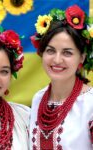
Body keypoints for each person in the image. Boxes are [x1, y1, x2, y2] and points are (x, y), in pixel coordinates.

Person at [30, 4, 93, 150]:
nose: (57, 60)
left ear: (81, 58)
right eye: (51, 51)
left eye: (67, 53)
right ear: (42, 53)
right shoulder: (38, 99)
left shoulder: (89, 103)